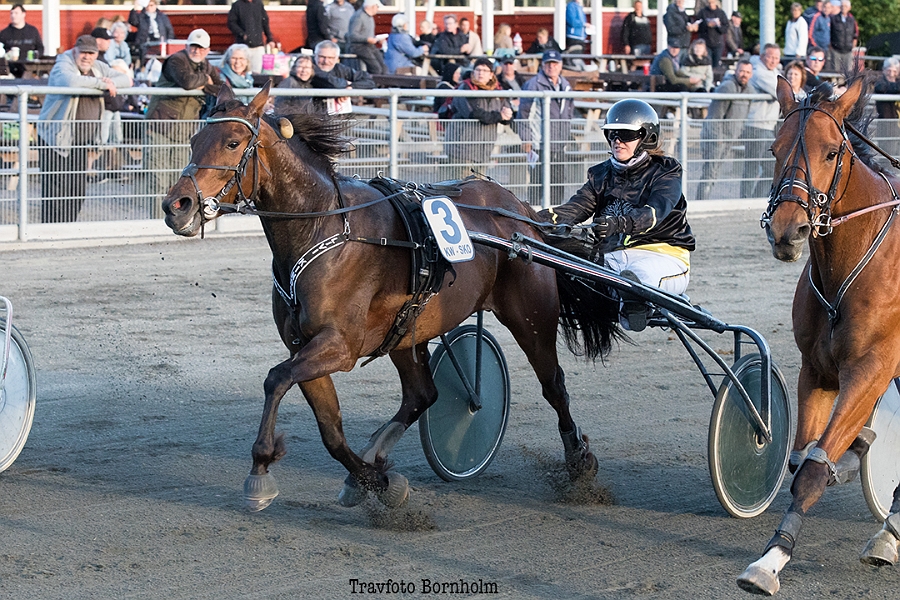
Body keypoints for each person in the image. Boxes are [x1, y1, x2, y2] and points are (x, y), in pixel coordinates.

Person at [536, 99, 695, 331]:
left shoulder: (666, 171)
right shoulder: (600, 174)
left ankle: (636, 305)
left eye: (625, 135)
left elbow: (653, 214)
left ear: (646, 137)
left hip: (663, 258)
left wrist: (617, 224)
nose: (617, 141)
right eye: (611, 134)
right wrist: (529, 217)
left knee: (635, 279)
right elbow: (575, 209)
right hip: (612, 260)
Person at [37, 35, 130, 222]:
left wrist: (107, 82)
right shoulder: (63, 64)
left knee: (77, 190)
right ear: (74, 51)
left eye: (91, 53)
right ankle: (52, 231)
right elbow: (70, 81)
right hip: (55, 138)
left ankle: (69, 227)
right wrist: (102, 84)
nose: (87, 57)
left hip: (80, 141)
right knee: (56, 189)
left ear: (96, 54)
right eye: (83, 53)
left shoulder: (98, 66)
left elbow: (126, 80)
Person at [144, 29, 222, 218]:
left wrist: (204, 83)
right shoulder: (175, 60)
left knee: (177, 179)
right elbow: (187, 82)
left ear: (207, 50)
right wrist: (205, 80)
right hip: (160, 126)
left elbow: (220, 88)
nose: (196, 51)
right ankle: (155, 220)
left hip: (184, 130)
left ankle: (174, 218)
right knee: (158, 177)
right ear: (187, 46)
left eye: (201, 48)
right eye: (193, 46)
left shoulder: (207, 65)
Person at [442, 57, 513, 181]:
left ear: (491, 75)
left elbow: (507, 116)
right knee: (461, 190)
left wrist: (507, 115)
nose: (481, 73)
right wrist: (499, 116)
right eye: (478, 69)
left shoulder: (498, 91)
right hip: (461, 150)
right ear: (473, 72)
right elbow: (474, 113)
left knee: (478, 192)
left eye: (485, 71)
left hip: (483, 151)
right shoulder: (465, 88)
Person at [519, 50, 574, 205]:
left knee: (557, 183)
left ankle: (555, 218)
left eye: (555, 63)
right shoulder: (533, 85)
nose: (552, 67)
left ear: (560, 65)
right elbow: (523, 114)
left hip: (559, 143)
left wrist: (566, 136)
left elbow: (569, 112)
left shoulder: (565, 86)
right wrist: (526, 139)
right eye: (548, 64)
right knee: (537, 184)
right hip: (539, 143)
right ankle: (534, 218)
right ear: (542, 65)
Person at [697, 58, 754, 200]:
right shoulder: (727, 87)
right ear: (736, 71)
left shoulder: (749, 90)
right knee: (710, 172)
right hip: (716, 138)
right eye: (741, 71)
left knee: (714, 172)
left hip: (730, 137)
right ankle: (701, 201)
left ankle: (703, 200)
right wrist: (718, 139)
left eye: (747, 72)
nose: (744, 74)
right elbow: (715, 116)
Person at [740, 43, 782, 199]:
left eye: (776, 58)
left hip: (767, 126)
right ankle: (745, 199)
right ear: (763, 56)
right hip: (755, 125)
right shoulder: (758, 73)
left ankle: (757, 197)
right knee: (752, 166)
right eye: (770, 57)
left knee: (771, 166)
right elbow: (779, 90)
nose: (773, 60)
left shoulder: (774, 72)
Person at [228, 0, 275, 74]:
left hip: (258, 46)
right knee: (243, 72)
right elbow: (231, 23)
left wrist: (270, 39)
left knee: (257, 73)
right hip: (243, 47)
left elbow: (265, 22)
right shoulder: (237, 5)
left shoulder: (259, 4)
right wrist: (242, 34)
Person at [0, 4, 43, 77]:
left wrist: (36, 55)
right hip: (11, 70)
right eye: (11, 13)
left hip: (30, 67)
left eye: (16, 13)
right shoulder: (4, 33)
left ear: (23, 14)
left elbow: (40, 48)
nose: (13, 16)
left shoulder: (32, 31)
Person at [347, 0, 388, 76]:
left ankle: (383, 85)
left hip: (369, 46)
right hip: (359, 47)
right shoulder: (358, 17)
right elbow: (352, 35)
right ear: (371, 7)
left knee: (384, 67)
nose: (377, 9)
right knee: (376, 68)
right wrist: (367, 39)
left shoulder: (370, 17)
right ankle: (373, 84)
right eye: (377, 7)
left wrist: (377, 39)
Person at [694, 0, 728, 67]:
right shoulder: (702, 12)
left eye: (712, 2)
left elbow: (725, 29)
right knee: (707, 64)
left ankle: (715, 77)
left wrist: (718, 25)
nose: (711, 4)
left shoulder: (721, 13)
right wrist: (707, 25)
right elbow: (697, 27)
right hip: (706, 43)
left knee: (716, 65)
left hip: (718, 43)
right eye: (709, 3)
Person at [829, 0, 857, 74]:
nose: (843, 8)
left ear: (849, 8)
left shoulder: (852, 20)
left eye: (845, 6)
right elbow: (829, 33)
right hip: (836, 50)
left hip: (848, 50)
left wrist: (853, 46)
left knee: (848, 73)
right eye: (842, 6)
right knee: (835, 72)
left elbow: (855, 34)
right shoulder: (833, 19)